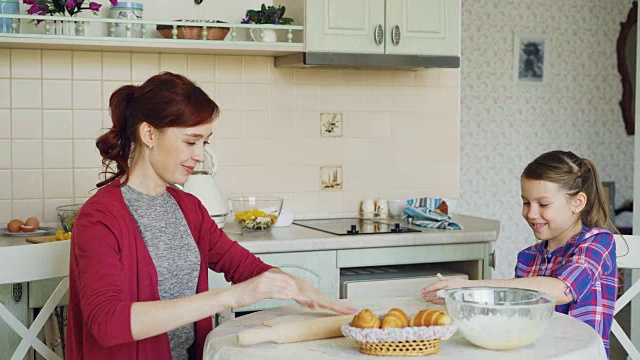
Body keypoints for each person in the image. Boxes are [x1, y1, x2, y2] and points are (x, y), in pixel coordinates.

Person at [65, 72, 356, 360]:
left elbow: (246, 268)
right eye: (191, 142)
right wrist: (231, 297)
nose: (200, 155)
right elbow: (107, 324)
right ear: (149, 134)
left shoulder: (188, 209)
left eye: (205, 143)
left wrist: (297, 286)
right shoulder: (100, 218)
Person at [423, 150, 618, 356]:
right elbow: (517, 318)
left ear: (577, 203)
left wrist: (471, 286)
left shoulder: (599, 243)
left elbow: (562, 290)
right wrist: (462, 299)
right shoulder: (528, 258)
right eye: (526, 202)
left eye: (543, 204)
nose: (531, 213)